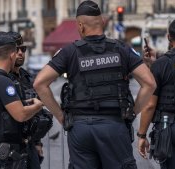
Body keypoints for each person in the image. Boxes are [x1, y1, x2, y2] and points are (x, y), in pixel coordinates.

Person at [33, 1, 156, 168]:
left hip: (81, 128)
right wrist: (132, 113)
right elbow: (149, 83)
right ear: (103, 23)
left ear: (81, 26)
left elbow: (40, 83)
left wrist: (62, 117)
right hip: (114, 126)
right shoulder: (121, 49)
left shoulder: (70, 52)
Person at [0, 31, 43, 169]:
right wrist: (38, 106)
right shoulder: (3, 81)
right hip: (5, 152)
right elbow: (21, 114)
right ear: (12, 55)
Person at [138, 17, 175, 169]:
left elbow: (150, 105)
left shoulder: (161, 65)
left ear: (169, 37)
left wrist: (142, 135)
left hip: (171, 130)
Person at [7, 31, 53, 168]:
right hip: (9, 146)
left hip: (29, 145)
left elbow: (36, 114)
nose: (21, 52)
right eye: (17, 49)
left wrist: (37, 143)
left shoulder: (26, 78)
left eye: (23, 49)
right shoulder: (1, 79)